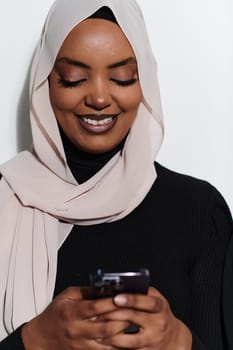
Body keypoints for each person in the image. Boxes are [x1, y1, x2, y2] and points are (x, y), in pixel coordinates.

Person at [0, 0, 232, 349]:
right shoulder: (7, 198)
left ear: (146, 84)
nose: (98, 97)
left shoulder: (199, 211)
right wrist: (34, 339)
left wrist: (179, 341)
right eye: (74, 78)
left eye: (121, 78)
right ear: (44, 83)